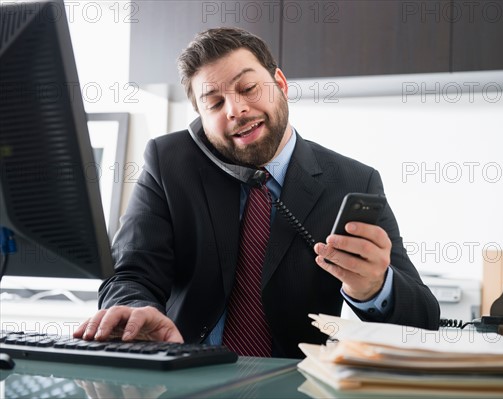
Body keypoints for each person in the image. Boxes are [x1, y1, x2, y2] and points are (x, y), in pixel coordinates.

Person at [75, 27, 440, 359]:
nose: (236, 110)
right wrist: (139, 308)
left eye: (248, 88)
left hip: (292, 384)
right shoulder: (169, 162)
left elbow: (424, 320)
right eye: (214, 103)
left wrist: (376, 287)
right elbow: (130, 274)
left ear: (280, 83)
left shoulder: (353, 181)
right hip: (181, 375)